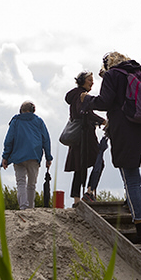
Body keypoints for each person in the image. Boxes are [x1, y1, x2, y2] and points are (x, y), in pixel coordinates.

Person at [80, 52, 141, 244]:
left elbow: (104, 102)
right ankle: (131, 203)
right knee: (132, 169)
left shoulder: (111, 76)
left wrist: (87, 100)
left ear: (107, 65)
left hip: (125, 128)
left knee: (131, 176)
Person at [0, 101, 53, 210]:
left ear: (21, 110)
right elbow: (46, 140)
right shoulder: (38, 121)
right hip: (34, 156)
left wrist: (5, 157)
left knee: (21, 183)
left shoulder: (15, 121)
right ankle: (30, 207)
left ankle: (23, 207)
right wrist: (48, 157)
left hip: (18, 157)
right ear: (33, 110)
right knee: (31, 184)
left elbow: (9, 140)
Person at [63, 71, 106, 202]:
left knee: (80, 166)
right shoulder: (81, 95)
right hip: (85, 135)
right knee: (98, 162)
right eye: (89, 80)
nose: (92, 82)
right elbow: (85, 112)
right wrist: (103, 121)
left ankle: (77, 198)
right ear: (82, 81)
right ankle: (89, 191)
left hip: (78, 136)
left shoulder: (75, 94)